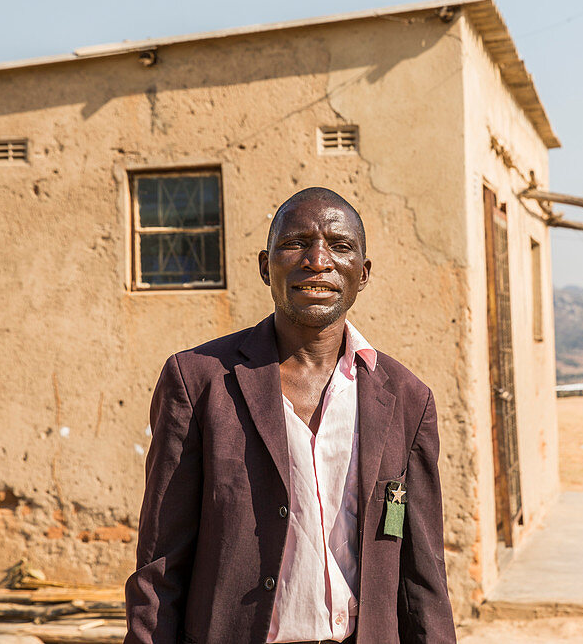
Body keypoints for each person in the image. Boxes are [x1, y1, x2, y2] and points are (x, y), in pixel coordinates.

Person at [124, 187, 457, 644]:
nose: (317, 261)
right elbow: (160, 562)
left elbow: (422, 575)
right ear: (265, 266)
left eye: (339, 247)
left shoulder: (405, 398)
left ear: (363, 273)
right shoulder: (199, 382)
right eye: (296, 243)